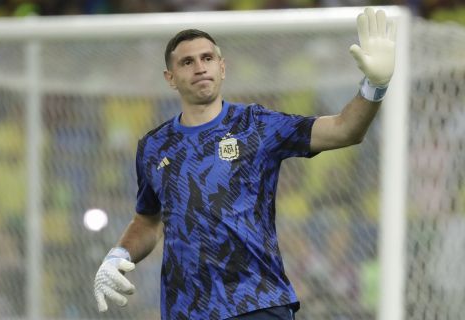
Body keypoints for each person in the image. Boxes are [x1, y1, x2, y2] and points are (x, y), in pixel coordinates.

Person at [94, 7, 396, 320]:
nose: (200, 67)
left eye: (207, 58)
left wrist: (374, 86)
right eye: (187, 62)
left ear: (222, 68)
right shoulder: (154, 146)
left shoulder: (257, 125)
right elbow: (148, 221)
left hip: (257, 303)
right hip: (186, 311)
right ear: (170, 78)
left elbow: (345, 129)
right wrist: (118, 255)